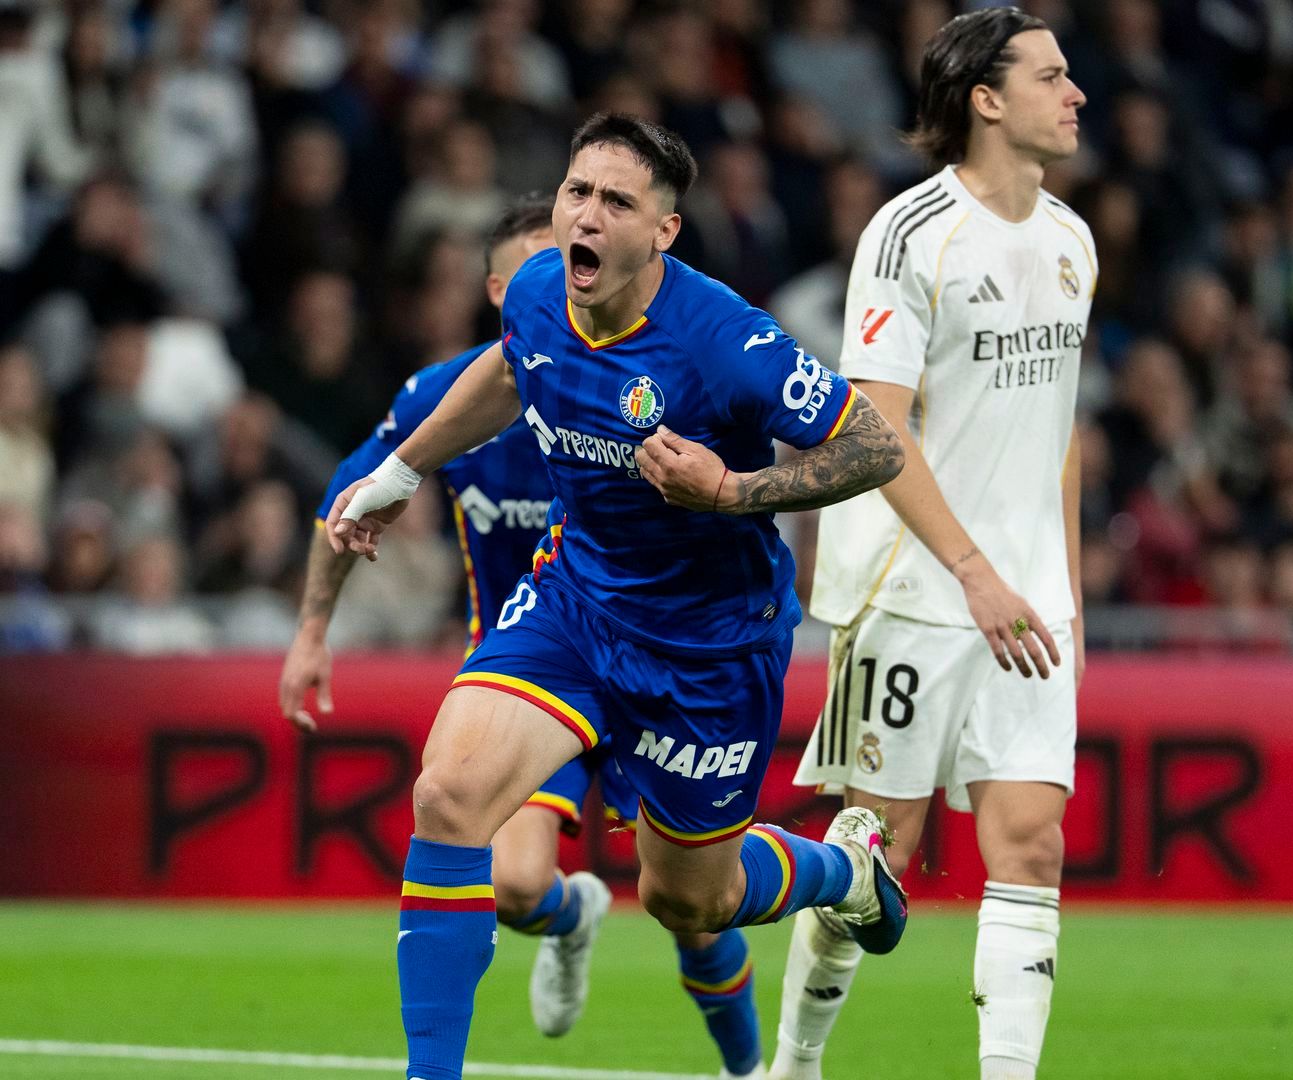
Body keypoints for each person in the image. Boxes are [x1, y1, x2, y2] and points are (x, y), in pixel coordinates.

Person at [323, 114, 908, 1080]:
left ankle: (841, 872)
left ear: (663, 233)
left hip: (708, 646)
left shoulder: (726, 342)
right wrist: (403, 468)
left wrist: (733, 491)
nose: (584, 216)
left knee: (690, 903)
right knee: (449, 793)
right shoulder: (544, 288)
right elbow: (512, 367)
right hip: (579, 604)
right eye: (576, 192)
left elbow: (874, 445)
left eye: (616, 202)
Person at [278, 194, 776, 1078]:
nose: (575, 268)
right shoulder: (453, 397)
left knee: (693, 914)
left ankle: (759, 1068)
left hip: (662, 658)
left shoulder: (650, 386)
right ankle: (568, 917)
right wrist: (313, 627)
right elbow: (349, 500)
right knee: (508, 882)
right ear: (504, 291)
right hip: (540, 667)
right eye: (543, 265)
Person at [775, 10, 1093, 1080]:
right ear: (987, 100)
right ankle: (796, 1063)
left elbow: (1059, 435)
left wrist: (1066, 594)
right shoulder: (910, 233)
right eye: (1053, 76)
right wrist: (973, 571)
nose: (1078, 94)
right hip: (914, 587)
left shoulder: (1071, 241)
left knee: (1031, 848)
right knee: (878, 855)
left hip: (1030, 600)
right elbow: (876, 427)